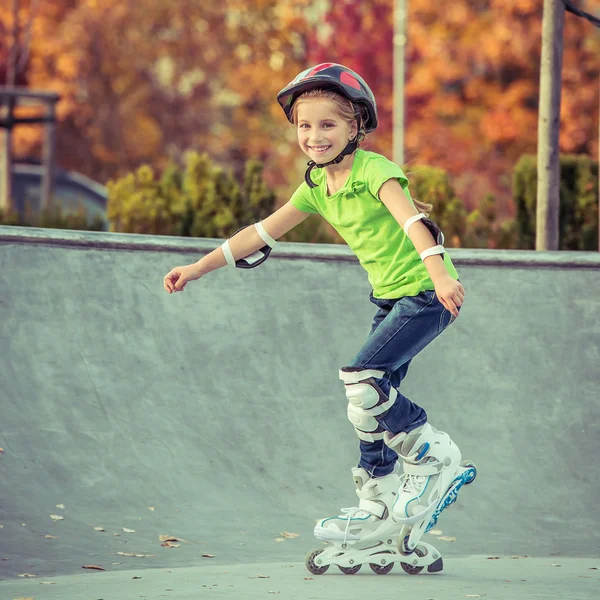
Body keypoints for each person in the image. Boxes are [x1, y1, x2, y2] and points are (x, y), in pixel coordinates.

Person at [164, 63, 470, 564]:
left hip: (425, 294)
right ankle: (379, 495)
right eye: (305, 126)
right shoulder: (315, 188)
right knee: (362, 401)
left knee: (362, 378)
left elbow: (415, 222)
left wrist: (440, 276)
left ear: (355, 128)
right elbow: (259, 234)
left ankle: (432, 453)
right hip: (389, 300)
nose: (314, 136)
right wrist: (198, 267)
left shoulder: (375, 171)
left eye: (327, 125)